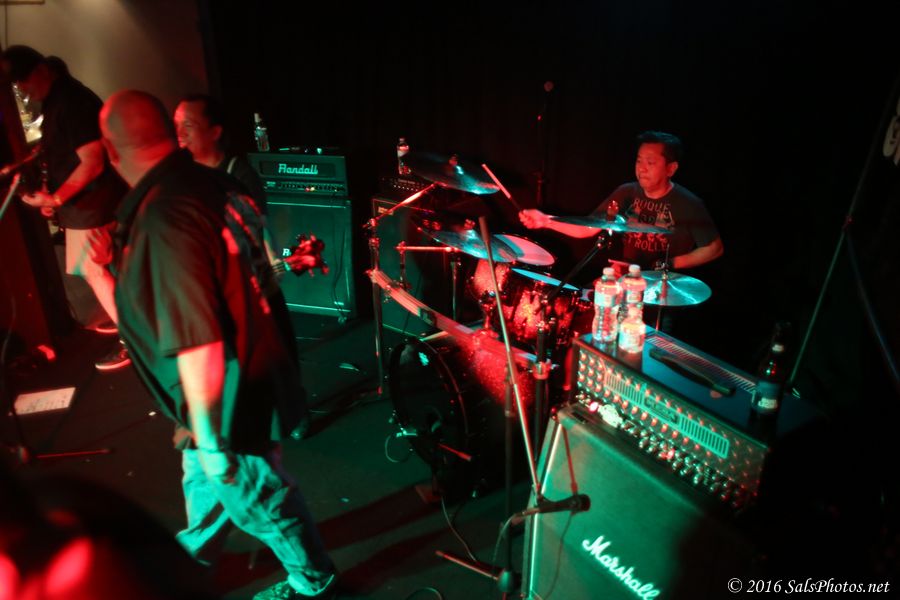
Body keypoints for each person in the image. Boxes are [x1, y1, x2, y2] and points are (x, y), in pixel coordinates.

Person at [98, 90, 336, 600]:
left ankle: (314, 584)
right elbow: (248, 279)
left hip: (225, 397)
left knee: (259, 498)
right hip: (232, 384)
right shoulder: (220, 186)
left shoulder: (165, 216)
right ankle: (191, 565)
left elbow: (199, 340)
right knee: (205, 482)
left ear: (110, 149)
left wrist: (210, 440)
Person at [1, 46, 130, 371]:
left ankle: (131, 340)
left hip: (91, 205)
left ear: (42, 70)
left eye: (22, 79)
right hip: (90, 204)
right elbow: (65, 152)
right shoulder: (62, 98)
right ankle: (129, 323)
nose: (22, 89)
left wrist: (56, 199)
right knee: (107, 268)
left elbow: (92, 161)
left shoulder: (71, 102)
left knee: (95, 271)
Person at [520, 130, 723, 272]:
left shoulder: (689, 203)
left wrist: (669, 264)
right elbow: (587, 229)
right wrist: (545, 220)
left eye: (650, 162)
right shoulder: (626, 192)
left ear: (671, 169)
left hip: (662, 290)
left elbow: (714, 249)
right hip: (626, 281)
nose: (641, 168)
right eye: (639, 160)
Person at [173, 93, 267, 211]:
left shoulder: (240, 176)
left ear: (215, 133)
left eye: (188, 125)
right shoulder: (179, 174)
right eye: (176, 125)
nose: (179, 133)